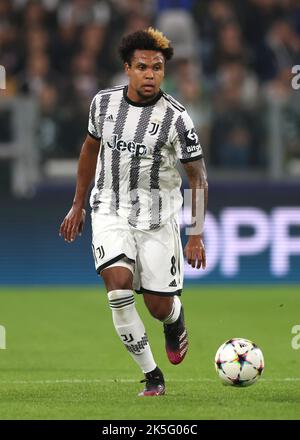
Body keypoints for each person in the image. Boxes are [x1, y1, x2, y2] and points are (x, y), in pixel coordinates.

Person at [59, 27, 208, 396]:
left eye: (157, 68)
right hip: (109, 208)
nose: (150, 74)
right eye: (142, 67)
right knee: (118, 287)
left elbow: (198, 176)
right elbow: (89, 151)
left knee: (158, 306)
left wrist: (197, 232)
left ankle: (174, 319)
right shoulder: (103, 104)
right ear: (127, 68)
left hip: (158, 218)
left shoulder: (177, 118)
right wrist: (78, 203)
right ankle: (152, 375)